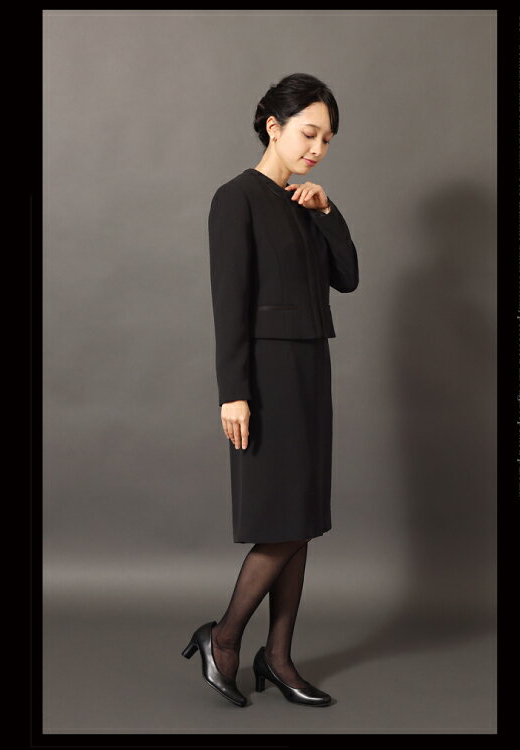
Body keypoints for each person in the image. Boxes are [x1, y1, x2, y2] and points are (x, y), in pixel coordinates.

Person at [183, 73, 359, 708]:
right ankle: (224, 637)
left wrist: (327, 212)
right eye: (309, 133)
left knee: (302, 517)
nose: (317, 148)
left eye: (327, 140)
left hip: (311, 370)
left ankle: (278, 658)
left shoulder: (305, 203)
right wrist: (233, 391)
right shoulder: (236, 198)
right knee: (283, 517)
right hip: (264, 377)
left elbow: (348, 278)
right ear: (273, 126)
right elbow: (229, 301)